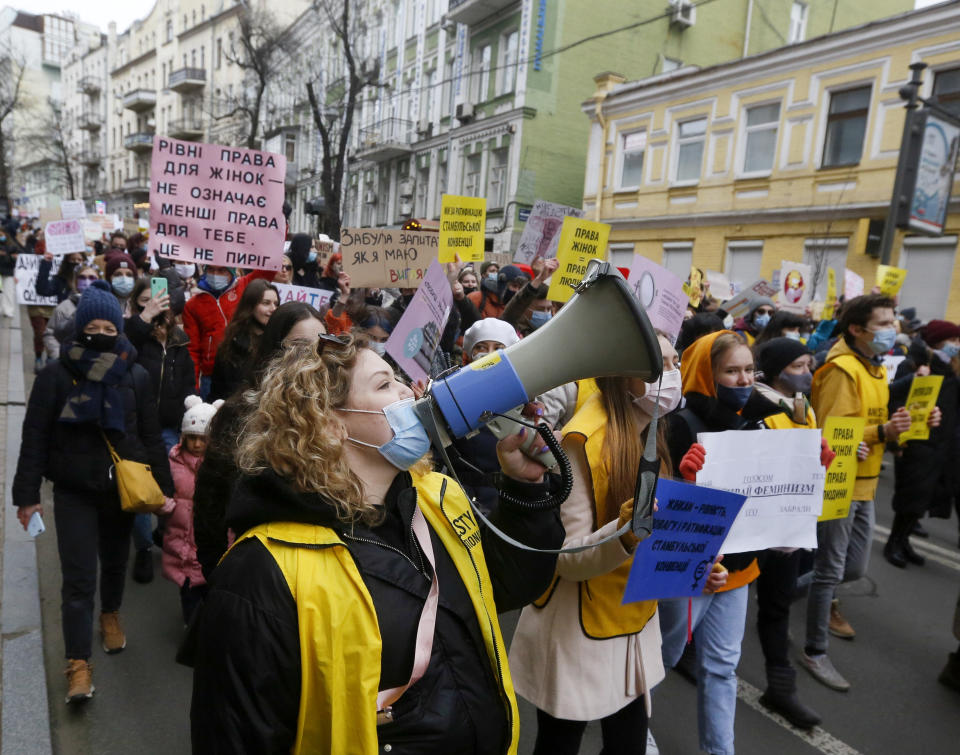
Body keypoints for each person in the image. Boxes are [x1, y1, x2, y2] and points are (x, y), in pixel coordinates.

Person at [189, 333, 565, 752]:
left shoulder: (437, 498)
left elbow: (507, 586)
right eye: (385, 385)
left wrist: (525, 488)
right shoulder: (260, 573)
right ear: (329, 426)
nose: (409, 391)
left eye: (400, 379)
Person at [510, 334, 696, 755]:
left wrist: (699, 558)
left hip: (629, 618)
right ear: (620, 375)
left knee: (627, 744)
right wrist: (626, 531)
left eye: (675, 362)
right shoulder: (582, 440)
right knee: (560, 744)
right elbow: (569, 560)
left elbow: (659, 538)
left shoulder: (651, 425)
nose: (672, 375)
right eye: (657, 365)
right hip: (580, 626)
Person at [12, 280, 173, 704]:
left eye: (108, 328)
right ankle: (78, 663)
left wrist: (165, 492)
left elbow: (151, 437)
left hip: (121, 491)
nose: (100, 334)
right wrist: (26, 496)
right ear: (79, 328)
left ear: (118, 330)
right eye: (93, 327)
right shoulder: (54, 377)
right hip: (72, 493)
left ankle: (111, 614)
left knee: (115, 563)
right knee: (78, 580)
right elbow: (35, 438)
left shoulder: (135, 374)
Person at [802, 294, 933, 692]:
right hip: (841, 482)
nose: (892, 328)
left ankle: (792, 589)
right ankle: (814, 651)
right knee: (830, 570)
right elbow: (833, 436)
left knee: (853, 569)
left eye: (893, 320)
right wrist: (883, 433)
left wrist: (908, 424)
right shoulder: (843, 369)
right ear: (857, 330)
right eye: (883, 322)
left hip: (866, 481)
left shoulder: (874, 368)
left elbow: (873, 426)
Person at [660, 330, 765, 755]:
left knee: (723, 667)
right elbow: (658, 505)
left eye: (749, 370)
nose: (743, 380)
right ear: (706, 374)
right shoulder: (681, 424)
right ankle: (631, 736)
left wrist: (811, 470)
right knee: (657, 661)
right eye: (732, 371)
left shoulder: (759, 422)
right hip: (691, 571)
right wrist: (683, 480)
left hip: (737, 567)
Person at [192, 302, 327, 579]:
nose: (312, 356)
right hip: (256, 569)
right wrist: (214, 567)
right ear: (275, 350)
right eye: (300, 346)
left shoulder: (337, 410)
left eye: (320, 345)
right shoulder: (240, 413)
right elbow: (211, 500)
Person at [744, 337, 827, 729]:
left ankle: (781, 688)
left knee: (776, 606)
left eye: (808, 363)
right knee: (715, 600)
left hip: (784, 525)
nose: (807, 373)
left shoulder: (803, 408)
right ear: (777, 372)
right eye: (798, 366)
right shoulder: (755, 406)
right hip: (750, 525)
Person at [125, 278, 196, 582]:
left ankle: (164, 535)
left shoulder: (180, 343)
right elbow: (123, 350)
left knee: (173, 489)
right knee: (142, 492)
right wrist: (142, 319)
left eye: (159, 301)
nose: (154, 306)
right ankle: (142, 548)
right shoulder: (132, 336)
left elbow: (187, 386)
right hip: (137, 429)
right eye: (145, 300)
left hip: (168, 429)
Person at [884, 319, 959, 566]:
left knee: (922, 500)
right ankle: (893, 543)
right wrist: (896, 443)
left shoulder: (952, 369)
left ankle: (904, 541)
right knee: (910, 497)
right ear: (938, 341)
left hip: (940, 445)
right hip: (915, 443)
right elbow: (893, 399)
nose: (957, 346)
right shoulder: (916, 365)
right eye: (954, 341)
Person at [161, 396, 222, 625]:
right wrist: (163, 505)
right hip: (181, 543)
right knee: (188, 593)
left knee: (210, 591)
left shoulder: (219, 466)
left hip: (209, 542)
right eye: (192, 438)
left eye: (202, 439)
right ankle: (192, 628)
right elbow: (165, 492)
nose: (197, 444)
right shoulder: (173, 463)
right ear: (183, 438)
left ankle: (206, 628)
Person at [209, 279, 279, 400]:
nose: (273, 308)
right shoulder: (231, 344)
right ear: (250, 306)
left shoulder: (279, 342)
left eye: (276, 303)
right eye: (266, 303)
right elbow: (218, 391)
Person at [182, 265, 244, 398]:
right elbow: (192, 349)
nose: (215, 274)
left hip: (243, 372)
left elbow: (267, 269)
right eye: (210, 269)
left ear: (231, 272)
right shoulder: (193, 305)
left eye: (221, 270)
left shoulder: (244, 289)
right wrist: (194, 387)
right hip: (209, 377)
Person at [44, 265, 100, 355]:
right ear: (75, 281)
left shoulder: (107, 307)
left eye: (92, 278)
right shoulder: (64, 307)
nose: (87, 281)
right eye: (82, 278)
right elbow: (51, 334)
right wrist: (59, 355)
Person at [465, 264, 530, 322]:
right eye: (514, 286)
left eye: (520, 288)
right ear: (503, 284)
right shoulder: (475, 298)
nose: (517, 291)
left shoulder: (514, 306)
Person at [0, 226, 17, 317]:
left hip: (8, 272)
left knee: (8, 292)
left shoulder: (12, 246)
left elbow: (14, 259)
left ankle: (8, 310)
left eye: (1, 234)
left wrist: (5, 255)